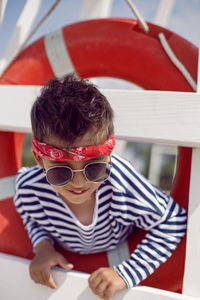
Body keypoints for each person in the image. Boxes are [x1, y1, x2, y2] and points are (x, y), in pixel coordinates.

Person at [14, 73, 187, 300]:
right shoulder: (29, 188)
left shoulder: (120, 182)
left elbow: (172, 219)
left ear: (108, 157)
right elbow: (31, 218)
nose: (78, 183)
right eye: (60, 171)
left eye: (93, 168)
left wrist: (126, 273)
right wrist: (43, 246)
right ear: (39, 160)